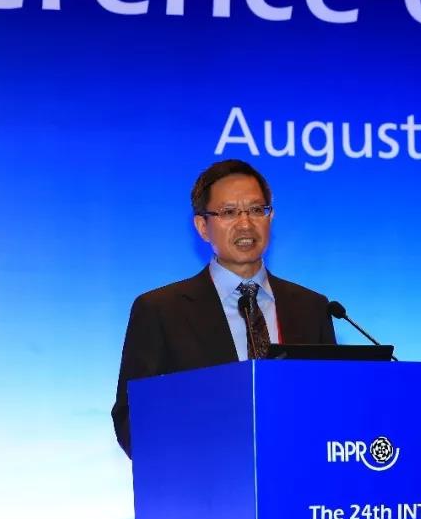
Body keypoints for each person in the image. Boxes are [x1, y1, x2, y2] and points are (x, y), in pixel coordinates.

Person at [111, 159, 336, 457]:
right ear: (203, 227)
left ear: (270, 217)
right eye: (229, 212)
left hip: (297, 476)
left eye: (256, 210)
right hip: (204, 480)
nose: (245, 224)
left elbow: (333, 405)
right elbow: (132, 419)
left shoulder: (312, 307)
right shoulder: (160, 311)